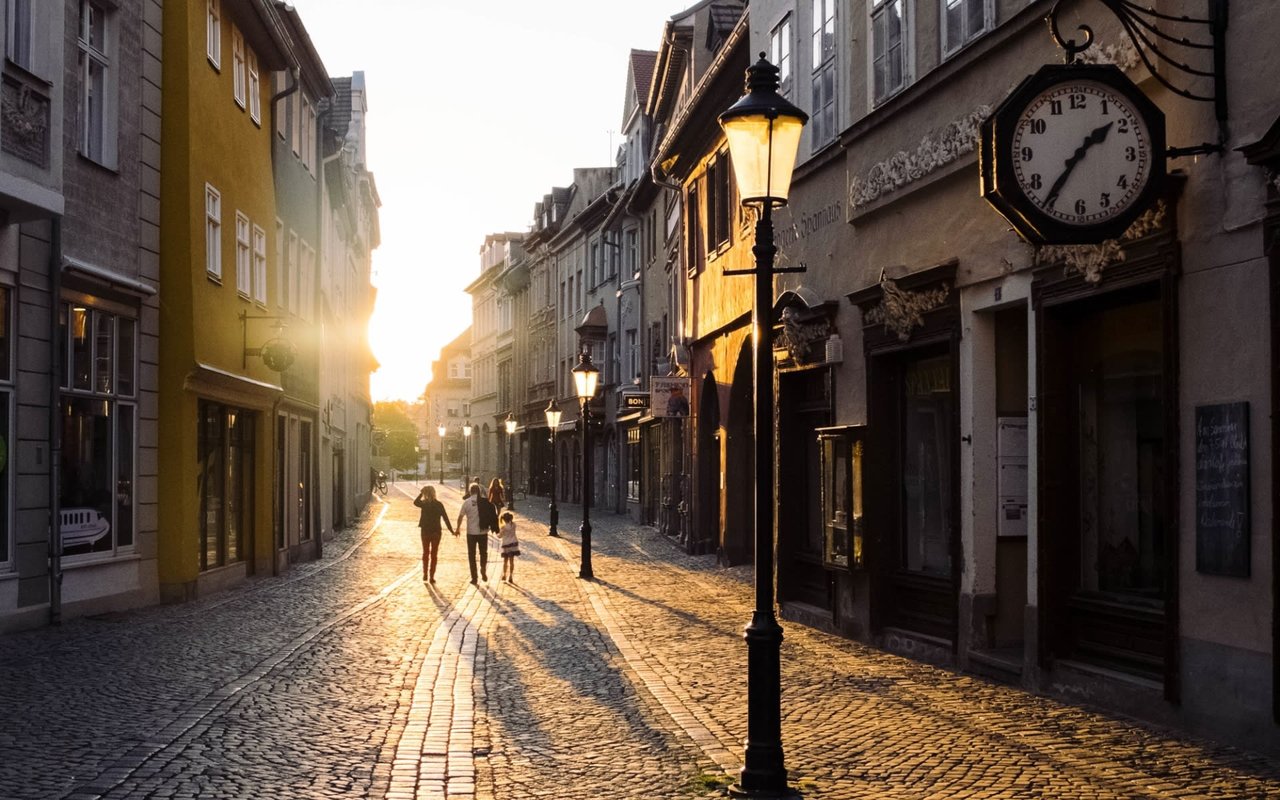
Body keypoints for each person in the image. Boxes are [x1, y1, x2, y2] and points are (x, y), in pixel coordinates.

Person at [413, 485, 453, 583]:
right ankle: (431, 576)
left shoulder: (424, 503)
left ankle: (425, 574)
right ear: (434, 493)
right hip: (436, 532)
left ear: (426, 494)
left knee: (425, 553)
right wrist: (451, 530)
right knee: (434, 554)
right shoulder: (439, 504)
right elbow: (445, 518)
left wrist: (421, 493)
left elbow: (415, 502)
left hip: (425, 531)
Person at [455, 482, 494, 584]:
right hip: (483, 532)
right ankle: (483, 568)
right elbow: (491, 514)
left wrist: (458, 528)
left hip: (471, 533)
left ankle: (474, 577)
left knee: (471, 555)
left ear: (470, 491)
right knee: (483, 553)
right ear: (479, 491)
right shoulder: (485, 502)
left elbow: (460, 517)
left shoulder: (467, 502)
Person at [499, 511, 519, 583]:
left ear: (504, 520)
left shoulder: (503, 527)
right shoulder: (514, 525)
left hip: (506, 545)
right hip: (513, 544)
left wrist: (497, 533)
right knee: (511, 561)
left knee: (505, 561)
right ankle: (510, 575)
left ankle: (504, 574)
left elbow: (499, 536)